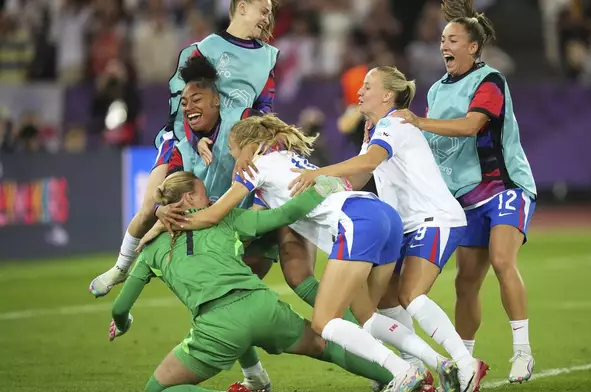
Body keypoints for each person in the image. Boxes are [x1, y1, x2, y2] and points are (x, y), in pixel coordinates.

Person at [288, 66, 488, 392]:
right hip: (407, 225)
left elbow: (366, 165)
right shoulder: (376, 130)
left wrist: (318, 172)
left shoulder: (394, 123)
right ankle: (413, 369)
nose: (360, 91)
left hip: (434, 218)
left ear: (386, 95)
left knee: (410, 294)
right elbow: (360, 178)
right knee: (386, 301)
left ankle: (466, 365)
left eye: (368, 86)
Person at [109, 171, 395, 392]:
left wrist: (124, 323)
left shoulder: (151, 247)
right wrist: (325, 187)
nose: (211, 202)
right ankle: (403, 379)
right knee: (325, 346)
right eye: (204, 195)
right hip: (262, 307)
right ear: (189, 199)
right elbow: (285, 214)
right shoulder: (227, 219)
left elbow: (120, 308)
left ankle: (253, 380)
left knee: (158, 389)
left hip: (216, 328)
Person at [90, 0, 279, 299]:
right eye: (263, 10)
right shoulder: (201, 50)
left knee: (215, 215)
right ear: (242, 7)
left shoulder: (268, 58)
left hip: (231, 142)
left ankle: (224, 291)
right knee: (152, 206)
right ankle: (121, 266)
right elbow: (179, 106)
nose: (268, 17)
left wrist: (243, 139)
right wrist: (195, 138)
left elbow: (264, 109)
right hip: (184, 138)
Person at [390, 0, 537, 383]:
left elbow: (471, 126)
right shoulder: (437, 89)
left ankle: (522, 351)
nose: (444, 45)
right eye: (442, 39)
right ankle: (465, 365)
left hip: (505, 187)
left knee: (503, 261)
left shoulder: (490, 80)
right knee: (466, 281)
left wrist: (419, 122)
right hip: (465, 198)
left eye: (452, 39)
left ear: (473, 47)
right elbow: (435, 145)